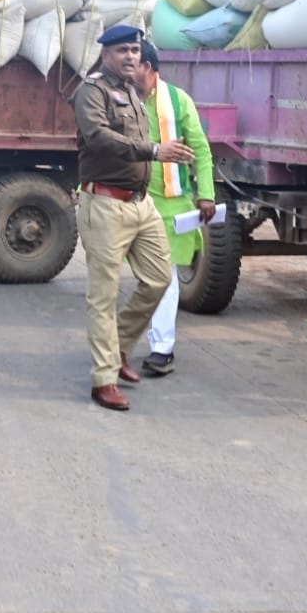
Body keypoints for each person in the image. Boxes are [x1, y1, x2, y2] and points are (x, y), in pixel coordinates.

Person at [70, 24, 195, 411]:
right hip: (104, 203)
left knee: (159, 279)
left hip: (141, 205)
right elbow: (99, 137)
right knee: (103, 296)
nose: (131, 57)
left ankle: (119, 346)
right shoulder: (92, 91)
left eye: (136, 51)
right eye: (123, 50)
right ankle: (103, 379)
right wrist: (155, 151)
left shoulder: (132, 92)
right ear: (105, 53)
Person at [131, 40, 218, 377]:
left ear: (150, 69)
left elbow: (201, 150)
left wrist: (206, 194)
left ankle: (161, 349)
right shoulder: (118, 99)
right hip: (126, 201)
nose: (128, 69)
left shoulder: (179, 101)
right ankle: (118, 348)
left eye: (135, 63)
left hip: (168, 206)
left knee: (163, 277)